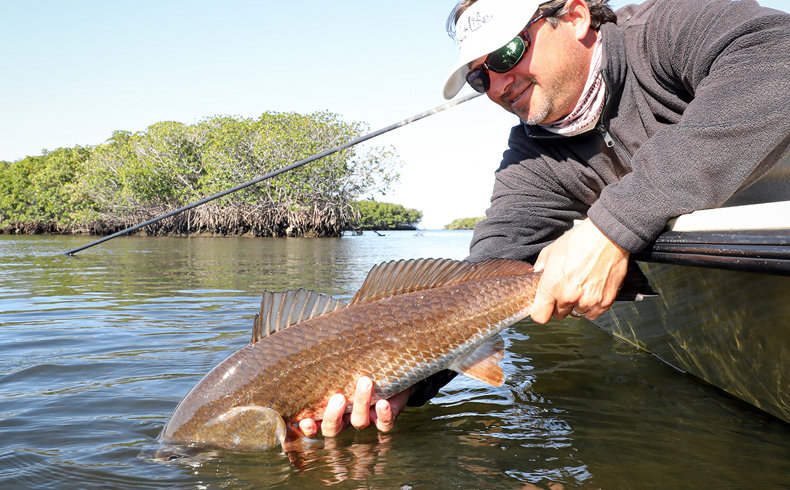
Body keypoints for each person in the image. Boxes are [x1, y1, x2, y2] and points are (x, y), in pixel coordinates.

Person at [299, 0, 790, 439]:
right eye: (478, 77)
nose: (495, 86)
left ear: (575, 17)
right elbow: (488, 269)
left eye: (507, 54)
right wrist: (408, 379)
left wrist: (612, 228)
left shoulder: (668, 28)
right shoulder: (531, 156)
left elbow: (779, 54)